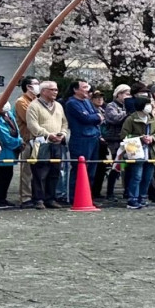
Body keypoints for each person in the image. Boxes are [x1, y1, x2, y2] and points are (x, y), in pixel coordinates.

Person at [22, 80, 70, 209]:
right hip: (41, 143)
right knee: (39, 172)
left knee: (55, 171)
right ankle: (38, 199)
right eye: (52, 89)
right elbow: (32, 125)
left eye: (56, 89)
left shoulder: (59, 105)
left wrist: (63, 133)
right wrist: (48, 134)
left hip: (57, 143)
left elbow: (64, 122)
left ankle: (51, 198)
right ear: (43, 91)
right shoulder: (34, 106)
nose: (55, 92)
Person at [63, 78, 103, 203]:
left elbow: (94, 115)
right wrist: (96, 117)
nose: (87, 90)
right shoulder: (72, 103)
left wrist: (95, 117)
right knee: (80, 169)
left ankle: (87, 196)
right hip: (81, 138)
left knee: (91, 170)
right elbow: (86, 118)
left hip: (94, 137)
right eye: (84, 87)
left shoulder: (87, 101)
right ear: (75, 89)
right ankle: (75, 197)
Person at [118, 89, 155, 209]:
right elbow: (124, 135)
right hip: (135, 150)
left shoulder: (153, 119)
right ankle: (132, 199)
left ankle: (142, 197)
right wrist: (140, 138)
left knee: (147, 177)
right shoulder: (130, 119)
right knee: (136, 176)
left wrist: (153, 138)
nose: (150, 107)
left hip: (150, 151)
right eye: (148, 104)